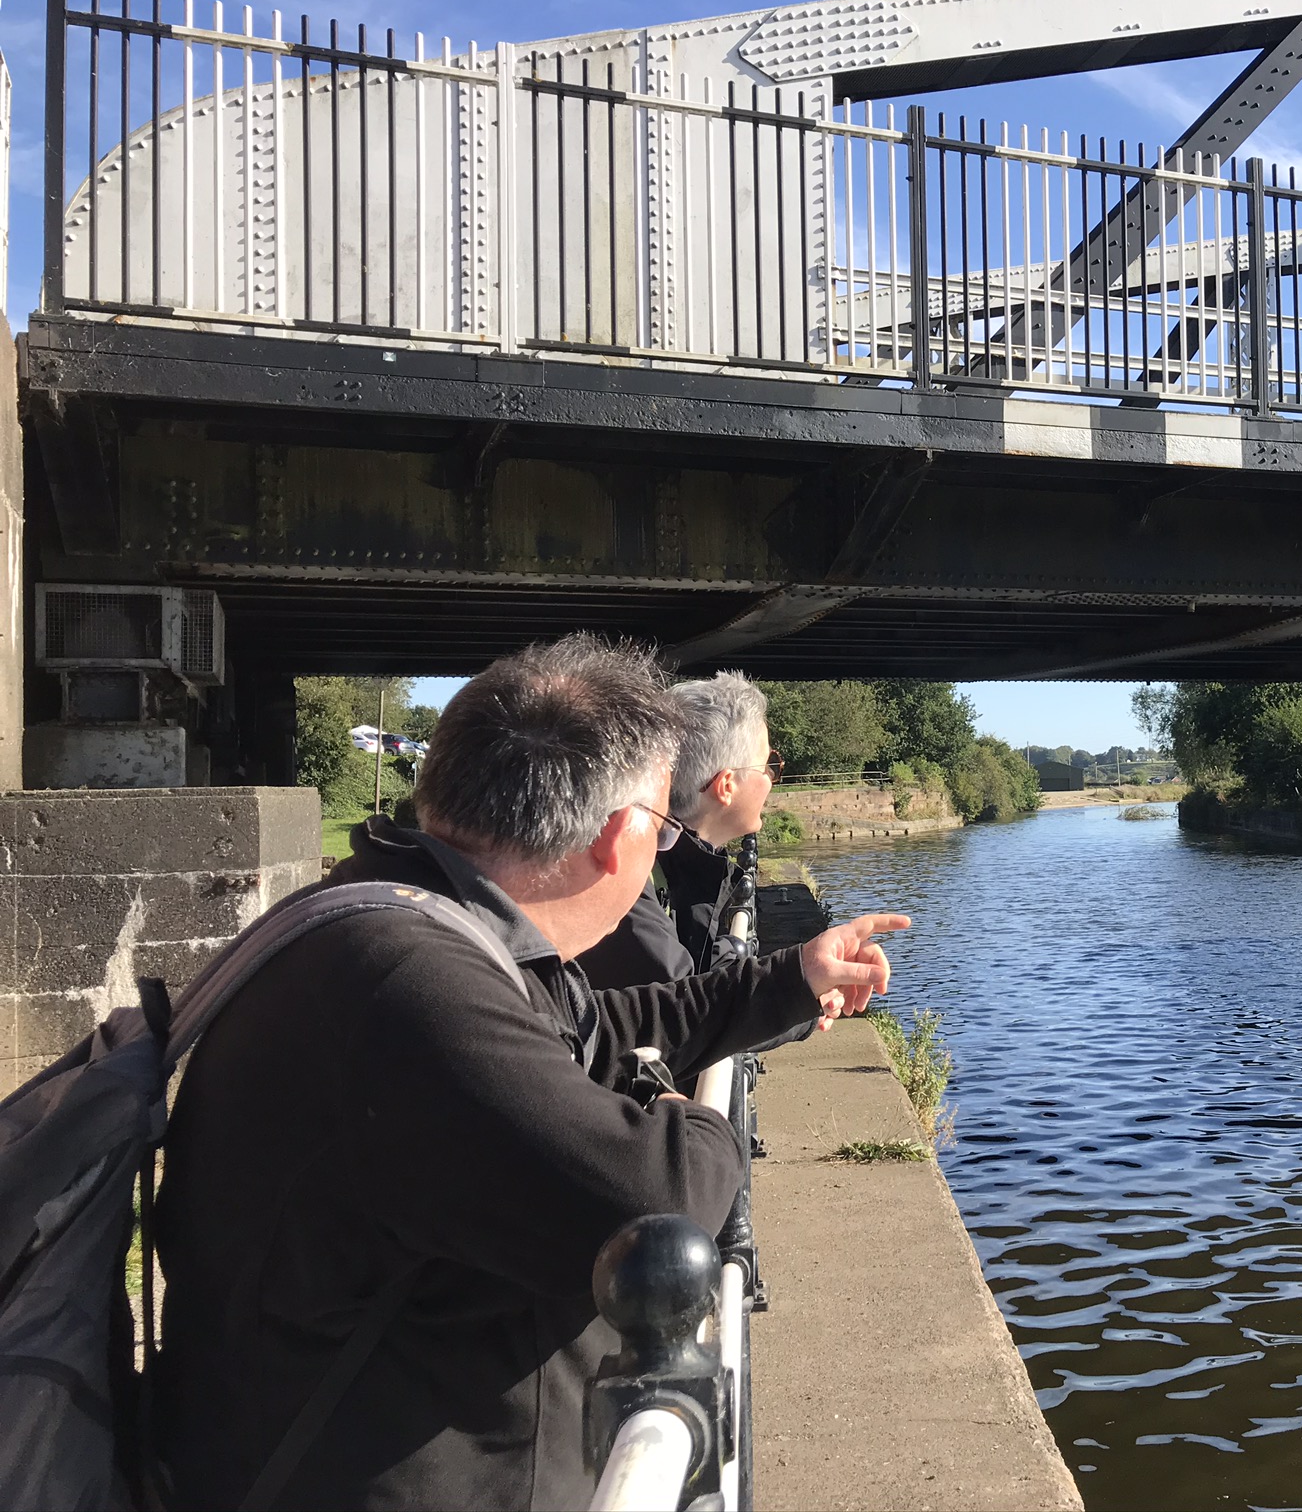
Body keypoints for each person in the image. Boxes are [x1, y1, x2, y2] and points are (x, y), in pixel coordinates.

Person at [151, 636, 907, 1511]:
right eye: (664, 828)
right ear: (622, 837)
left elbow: (598, 1027)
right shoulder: (411, 988)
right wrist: (687, 1114)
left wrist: (790, 978)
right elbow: (655, 1196)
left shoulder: (403, 914)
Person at [578, 670, 779, 990]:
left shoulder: (663, 859)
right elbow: (686, 1010)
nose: (770, 777)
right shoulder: (631, 878)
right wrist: (806, 982)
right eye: (767, 765)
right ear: (726, 786)